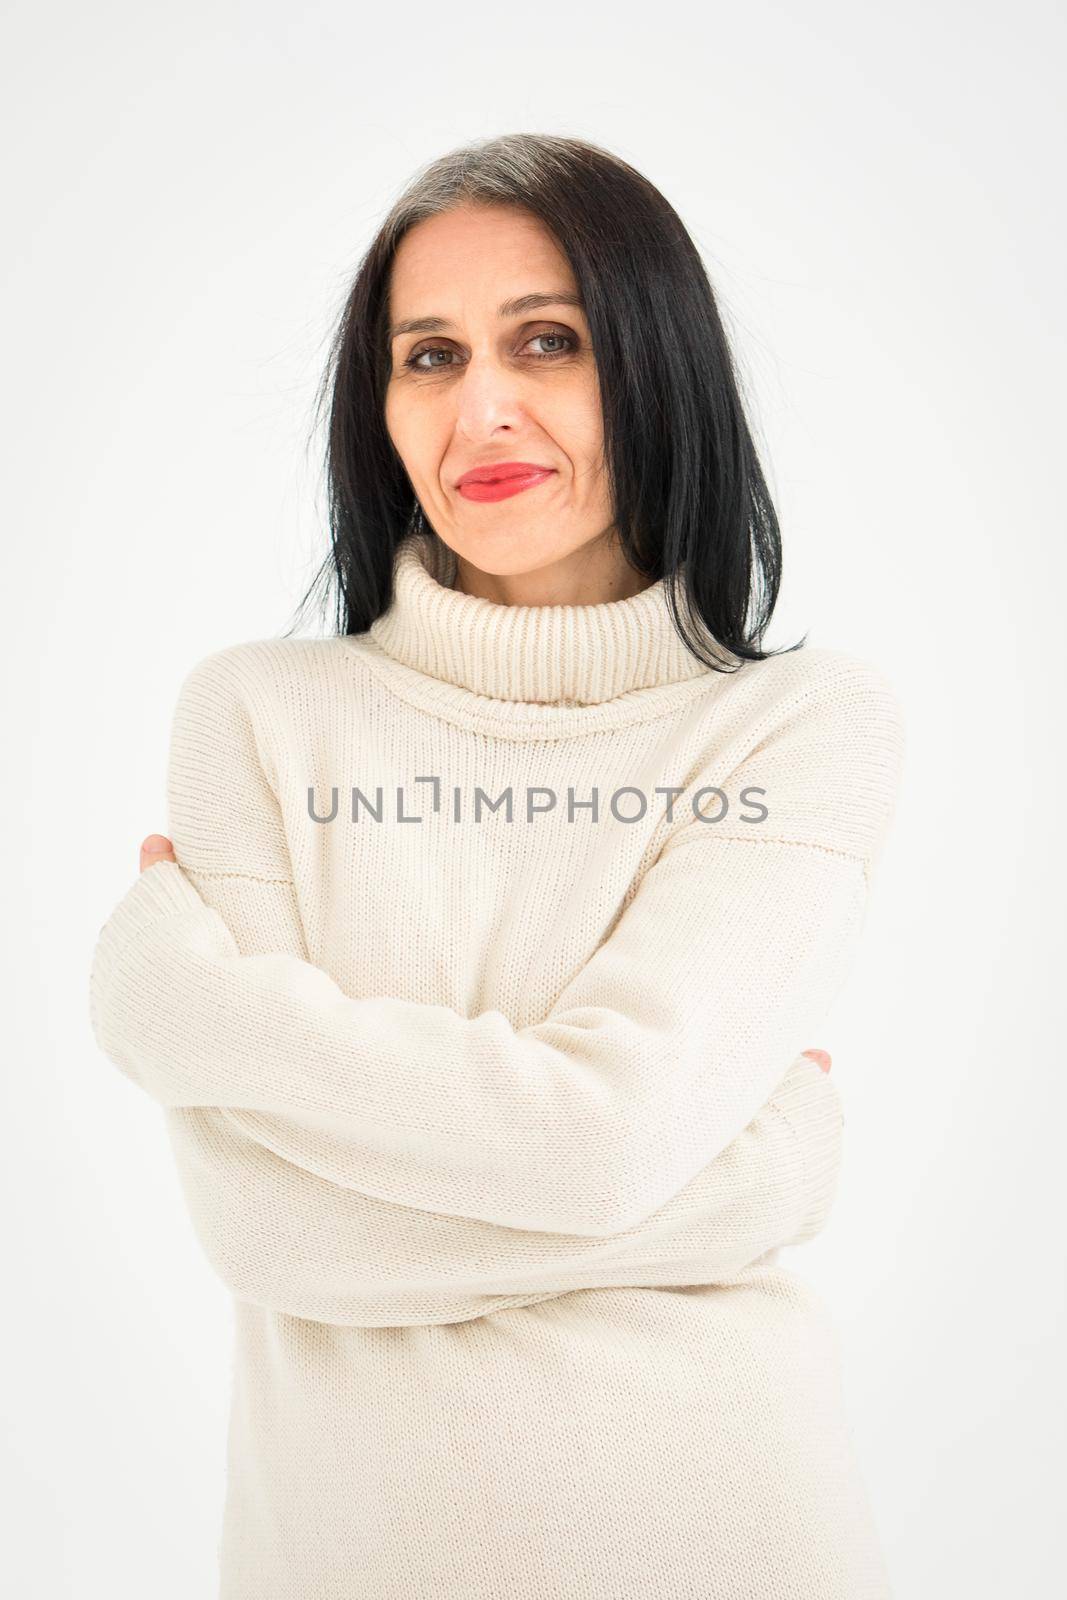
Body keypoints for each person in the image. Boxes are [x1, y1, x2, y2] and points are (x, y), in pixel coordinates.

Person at [89, 132, 904, 1598]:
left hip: (726, 1537)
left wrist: (191, 1016)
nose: (486, 407)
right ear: (382, 406)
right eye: (429, 356)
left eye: (549, 341)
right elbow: (264, 1226)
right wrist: (760, 1175)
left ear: (659, 363)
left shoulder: (797, 728)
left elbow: (593, 1146)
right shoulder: (258, 719)